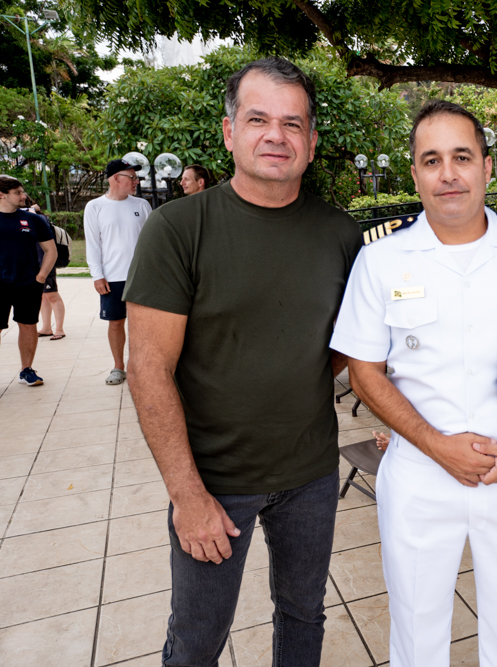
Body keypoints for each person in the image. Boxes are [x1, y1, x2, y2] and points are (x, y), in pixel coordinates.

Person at [330, 100, 497, 667]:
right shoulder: (381, 260)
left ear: (486, 166)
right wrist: (437, 445)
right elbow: (364, 371)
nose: (448, 174)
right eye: (432, 160)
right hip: (420, 474)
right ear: (415, 174)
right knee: (416, 630)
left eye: (462, 157)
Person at [124, 56, 362, 667]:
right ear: (230, 132)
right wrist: (187, 495)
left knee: (304, 617)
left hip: (311, 473)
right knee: (198, 640)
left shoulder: (341, 234)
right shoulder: (179, 228)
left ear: (312, 141)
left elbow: (348, 344)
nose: (275, 135)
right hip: (214, 480)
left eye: (292, 123)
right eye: (258, 119)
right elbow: (147, 369)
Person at [84, 159, 151, 384]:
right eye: (131, 177)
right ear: (115, 178)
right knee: (115, 323)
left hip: (141, 276)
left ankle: (142, 365)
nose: (136, 181)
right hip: (112, 277)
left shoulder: (142, 205)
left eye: (136, 177)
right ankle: (118, 367)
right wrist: (97, 276)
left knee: (143, 324)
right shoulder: (95, 207)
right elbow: (93, 244)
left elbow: (152, 241)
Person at [0, 176, 57, 385]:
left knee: (28, 325)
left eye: (22, 191)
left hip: (28, 283)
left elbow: (51, 251)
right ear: (2, 195)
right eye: (18, 192)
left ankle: (26, 370)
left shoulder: (33, 220)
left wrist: (40, 277)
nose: (24, 196)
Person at [25, 197, 67, 340]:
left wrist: (32, 211)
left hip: (45, 263)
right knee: (43, 296)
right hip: (34, 264)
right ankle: (46, 328)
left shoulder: (39, 218)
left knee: (52, 295)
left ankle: (59, 329)